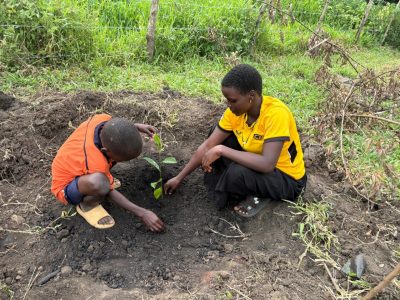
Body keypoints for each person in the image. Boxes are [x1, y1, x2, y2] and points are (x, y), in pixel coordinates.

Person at [164, 64, 306, 218]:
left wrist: (221, 150)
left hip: (285, 179)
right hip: (257, 162)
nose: (228, 105)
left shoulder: (276, 114)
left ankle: (259, 195)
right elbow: (208, 145)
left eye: (232, 100)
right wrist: (179, 177)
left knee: (236, 172)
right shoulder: (235, 113)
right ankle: (233, 186)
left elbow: (267, 164)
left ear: (251, 96)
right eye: (227, 100)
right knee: (218, 137)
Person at [51, 114, 165, 231]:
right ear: (105, 150)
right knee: (100, 184)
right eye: (124, 160)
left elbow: (116, 128)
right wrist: (143, 213)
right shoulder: (94, 160)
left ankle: (99, 178)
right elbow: (109, 191)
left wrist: (134, 127)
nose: (128, 161)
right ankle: (87, 205)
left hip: (80, 164)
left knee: (107, 166)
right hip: (65, 187)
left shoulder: (102, 119)